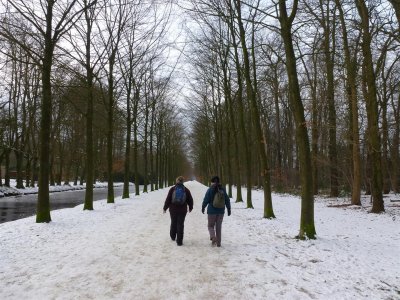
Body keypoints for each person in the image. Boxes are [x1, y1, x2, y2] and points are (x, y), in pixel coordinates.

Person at [163, 176, 193, 246]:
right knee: (180, 224)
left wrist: (165, 208)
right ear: (183, 182)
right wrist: (190, 207)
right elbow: (190, 200)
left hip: (173, 209)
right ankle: (179, 241)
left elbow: (168, 199)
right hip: (182, 210)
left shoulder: (172, 189)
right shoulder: (186, 190)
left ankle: (173, 236)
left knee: (173, 222)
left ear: (176, 181)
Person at [201, 176, 231, 247]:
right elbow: (227, 199)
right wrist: (228, 209)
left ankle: (213, 237)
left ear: (212, 182)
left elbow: (206, 200)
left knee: (210, 226)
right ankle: (218, 243)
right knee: (218, 227)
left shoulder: (210, 189)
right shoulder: (223, 189)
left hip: (211, 211)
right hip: (221, 211)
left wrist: (203, 207)